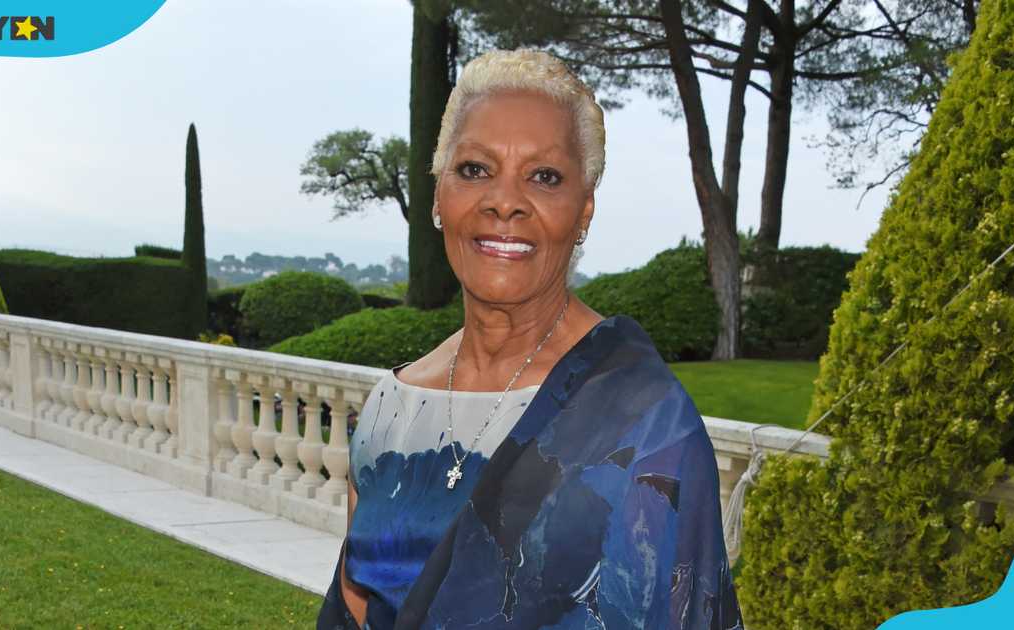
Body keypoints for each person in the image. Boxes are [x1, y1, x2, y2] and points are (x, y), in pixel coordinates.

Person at [317, 48, 743, 629]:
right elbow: (356, 607)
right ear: (440, 196)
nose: (504, 202)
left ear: (583, 210)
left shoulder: (646, 425)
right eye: (475, 170)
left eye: (544, 177)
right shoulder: (390, 411)